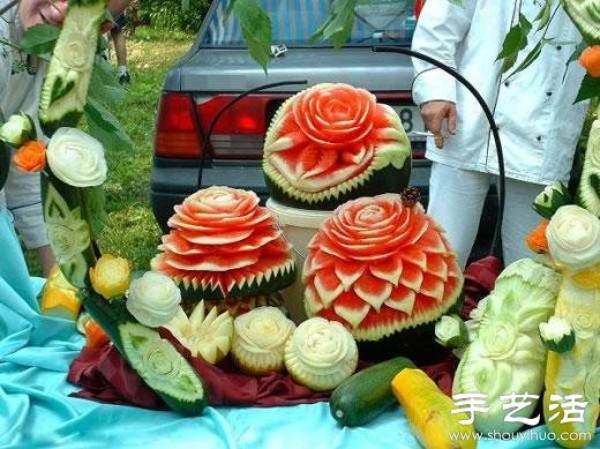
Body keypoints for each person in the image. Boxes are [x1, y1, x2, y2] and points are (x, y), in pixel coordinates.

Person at [411, 0, 588, 270]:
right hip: (467, 120)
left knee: (531, 269)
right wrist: (435, 90)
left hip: (542, 137)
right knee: (440, 258)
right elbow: (438, 26)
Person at [1, 0, 132, 277]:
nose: (63, 7)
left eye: (86, 7)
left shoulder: (51, 56)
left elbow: (25, 172)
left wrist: (71, 284)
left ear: (103, 28)